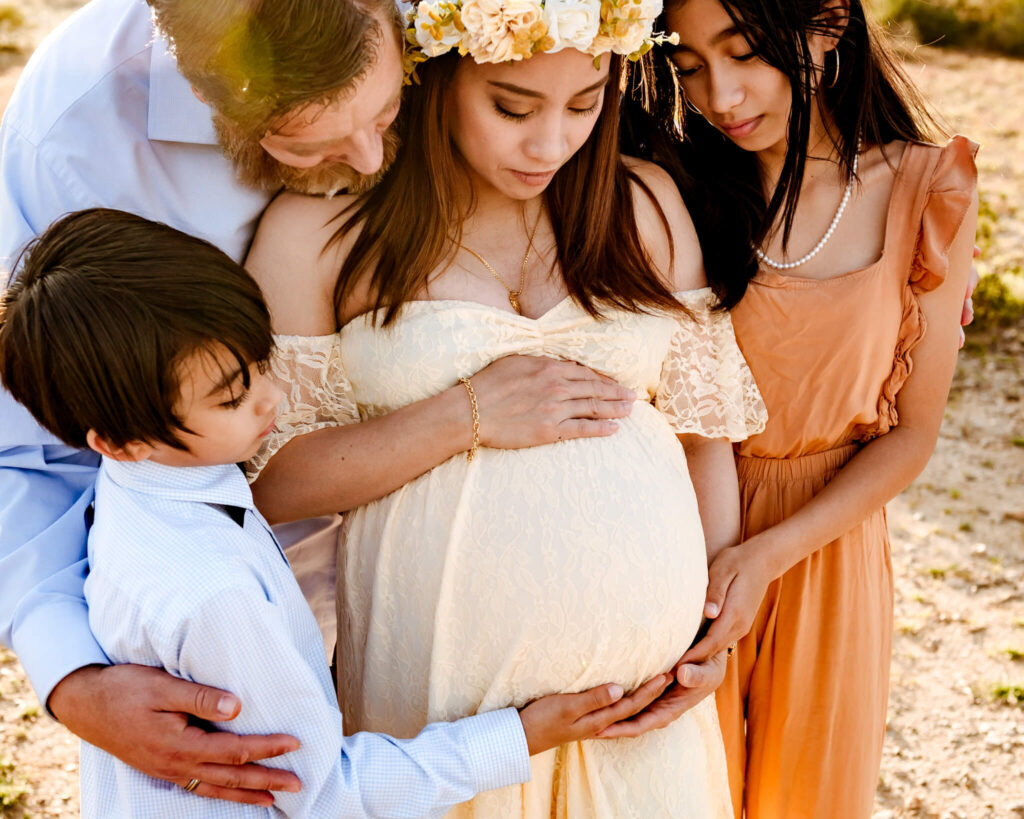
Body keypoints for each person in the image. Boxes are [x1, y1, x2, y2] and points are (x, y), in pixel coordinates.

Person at [0, 0, 639, 802]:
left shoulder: (466, 20)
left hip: (408, 631)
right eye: (311, 141)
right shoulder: (77, 129)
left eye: (388, 110)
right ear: (209, 89)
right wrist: (74, 678)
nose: (372, 161)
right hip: (235, 651)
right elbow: (24, 444)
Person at [244, 2, 769, 814]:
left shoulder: (649, 204)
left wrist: (711, 629)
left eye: (586, 103)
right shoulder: (323, 230)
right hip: (441, 723)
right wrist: (465, 413)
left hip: (638, 723)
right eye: (512, 107)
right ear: (438, 77)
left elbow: (705, 439)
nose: (550, 143)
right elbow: (270, 478)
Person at [0, 208, 680, 817]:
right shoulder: (216, 594)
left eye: (261, 358)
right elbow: (324, 792)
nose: (271, 397)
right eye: (233, 395)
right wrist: (522, 735)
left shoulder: (139, 488)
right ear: (119, 440)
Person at [623, 0, 979, 816]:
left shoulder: (927, 190)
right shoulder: (668, 187)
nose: (720, 94)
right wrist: (726, 563)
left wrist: (770, 554)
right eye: (689, 68)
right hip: (681, 538)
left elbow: (914, 434)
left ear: (826, 26)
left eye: (744, 53)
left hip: (827, 550)